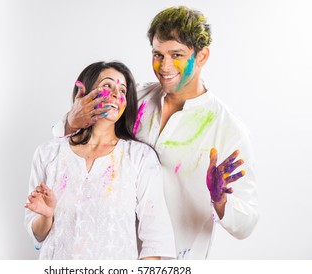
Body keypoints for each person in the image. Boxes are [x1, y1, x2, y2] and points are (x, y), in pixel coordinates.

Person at [53, 6, 259, 259]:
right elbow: (72, 146)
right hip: (111, 255)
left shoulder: (227, 128)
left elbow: (247, 222)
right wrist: (71, 122)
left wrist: (220, 201)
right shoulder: (134, 98)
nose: (165, 65)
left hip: (176, 260)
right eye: (158, 54)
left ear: (202, 56)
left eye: (177, 54)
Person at [25, 61, 176, 260]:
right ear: (83, 92)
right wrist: (46, 215)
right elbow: (38, 234)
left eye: (122, 90)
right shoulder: (48, 153)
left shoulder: (139, 157)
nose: (116, 94)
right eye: (107, 85)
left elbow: (156, 239)